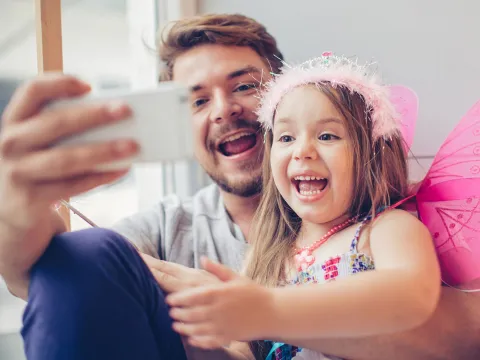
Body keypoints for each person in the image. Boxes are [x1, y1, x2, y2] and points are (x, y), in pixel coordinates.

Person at [0, 12, 478, 360]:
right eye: (196, 99)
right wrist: (17, 207)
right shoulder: (211, 236)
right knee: (85, 251)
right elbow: (46, 276)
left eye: (245, 86)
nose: (223, 109)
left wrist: (264, 310)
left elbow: (435, 317)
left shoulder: (386, 224)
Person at [164, 53, 442, 360]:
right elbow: (246, 350)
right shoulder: (267, 254)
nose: (302, 151)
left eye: (326, 135)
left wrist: (268, 308)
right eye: (285, 137)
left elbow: (412, 296)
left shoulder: (386, 229)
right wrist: (197, 336)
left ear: (371, 156)